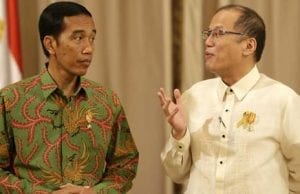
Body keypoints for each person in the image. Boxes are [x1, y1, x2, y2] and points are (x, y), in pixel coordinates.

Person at [158, 4, 300, 194]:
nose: (208, 42)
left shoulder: (283, 100)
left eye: (218, 33)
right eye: (208, 34)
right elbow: (175, 174)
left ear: (249, 46)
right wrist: (179, 134)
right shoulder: (194, 96)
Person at [0, 1, 139, 193]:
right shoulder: (11, 100)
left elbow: (125, 165)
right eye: (78, 38)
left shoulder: (106, 101)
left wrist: (92, 192)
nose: (88, 48)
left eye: (92, 38)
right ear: (50, 44)